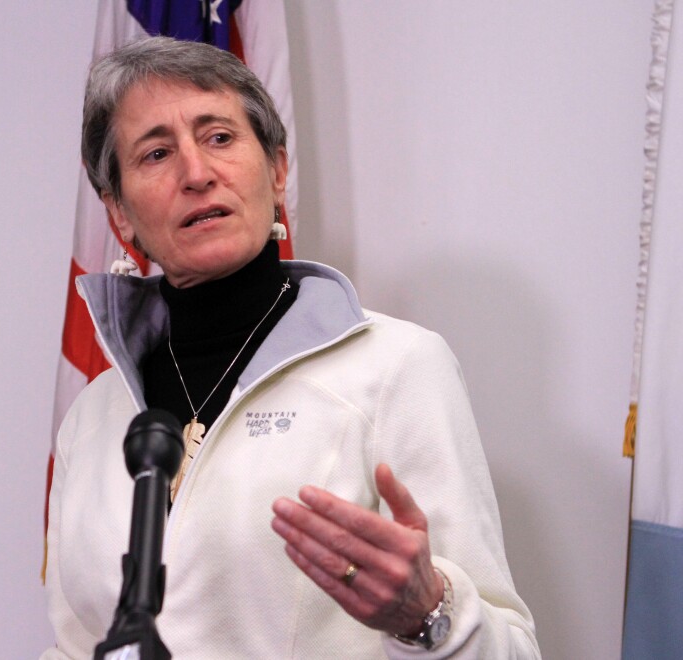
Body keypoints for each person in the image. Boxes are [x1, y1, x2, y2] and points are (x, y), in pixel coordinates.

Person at [42, 36, 540, 659]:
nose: (196, 174)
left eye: (219, 137)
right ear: (119, 214)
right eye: (157, 153)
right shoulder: (91, 416)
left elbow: (514, 651)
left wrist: (428, 617)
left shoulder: (395, 367)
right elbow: (71, 646)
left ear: (277, 170)